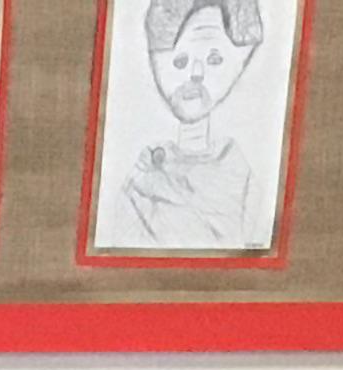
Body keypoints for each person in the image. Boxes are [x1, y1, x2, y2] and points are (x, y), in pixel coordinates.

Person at [114, 0, 273, 251]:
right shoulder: (141, 178)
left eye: (214, 59)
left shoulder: (241, 174)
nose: (195, 74)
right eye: (180, 62)